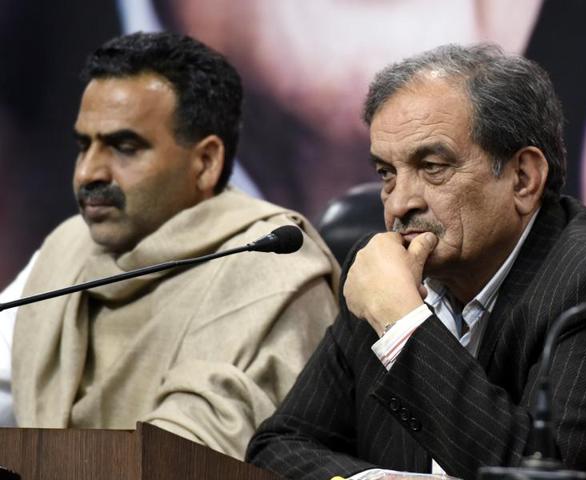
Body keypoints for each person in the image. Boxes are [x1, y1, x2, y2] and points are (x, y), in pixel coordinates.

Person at [246, 44, 586, 480]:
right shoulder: (382, 266)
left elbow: (541, 475)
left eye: (432, 166)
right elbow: (277, 446)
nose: (399, 204)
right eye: (386, 173)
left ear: (523, 179)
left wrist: (401, 322)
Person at [0, 31, 340, 460]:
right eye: (83, 146)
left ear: (206, 162)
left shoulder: (270, 264)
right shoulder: (68, 249)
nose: (88, 173)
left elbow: (192, 453)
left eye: (124, 148)